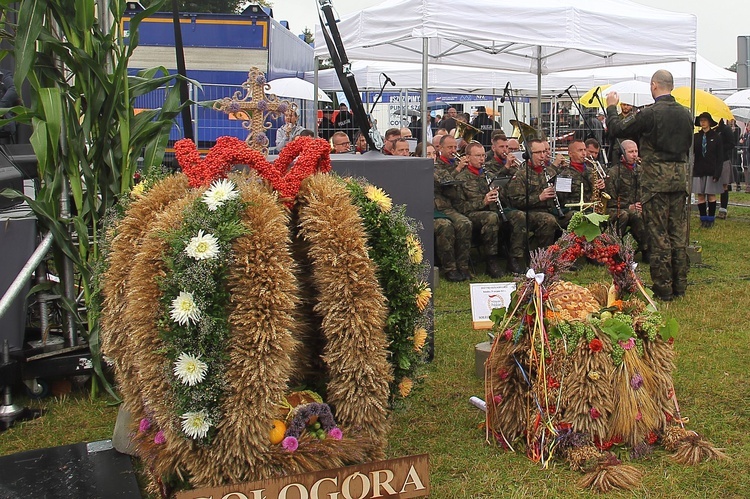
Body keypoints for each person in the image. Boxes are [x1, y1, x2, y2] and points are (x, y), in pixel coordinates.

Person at [606, 69, 694, 302]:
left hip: (656, 181)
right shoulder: (687, 114)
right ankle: (680, 285)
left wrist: (612, 107)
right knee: (677, 233)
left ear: (654, 85)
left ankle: (663, 288)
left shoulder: (650, 113)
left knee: (658, 234)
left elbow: (617, 130)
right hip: (679, 178)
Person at [505, 139, 560, 273]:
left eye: (544, 152)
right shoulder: (521, 174)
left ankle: (554, 258)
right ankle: (522, 259)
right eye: (538, 152)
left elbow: (561, 197)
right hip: (527, 212)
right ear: (529, 154)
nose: (542, 156)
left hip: (547, 210)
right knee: (548, 220)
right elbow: (516, 201)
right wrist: (539, 198)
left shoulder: (550, 172)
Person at [454, 141, 505, 278]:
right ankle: (491, 261)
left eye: (483, 155)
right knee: (491, 218)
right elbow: (461, 207)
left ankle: (514, 258)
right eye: (477, 156)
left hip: (492, 210)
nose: (482, 159)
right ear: (468, 157)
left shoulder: (488, 175)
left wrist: (499, 192)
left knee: (517, 216)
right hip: (471, 214)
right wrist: (483, 201)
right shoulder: (461, 178)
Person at [606, 139, 649, 259]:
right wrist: (628, 206)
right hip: (617, 209)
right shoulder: (614, 172)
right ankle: (615, 250)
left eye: (636, 151)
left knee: (641, 215)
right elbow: (609, 199)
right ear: (622, 154)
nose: (635, 154)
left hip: (637, 208)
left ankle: (647, 248)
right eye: (631, 152)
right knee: (624, 214)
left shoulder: (642, 171)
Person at [691, 112, 724, 228]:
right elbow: (692, 152)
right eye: (701, 120)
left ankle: (711, 219)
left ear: (709, 122)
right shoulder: (696, 137)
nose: (703, 122)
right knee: (700, 195)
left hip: (712, 170)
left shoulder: (716, 137)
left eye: (705, 120)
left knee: (711, 195)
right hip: (699, 170)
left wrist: (718, 172)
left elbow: (720, 157)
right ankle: (703, 218)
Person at [716, 118, 736, 219]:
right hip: (712, 161)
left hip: (723, 160)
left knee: (724, 186)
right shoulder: (712, 130)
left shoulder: (725, 129)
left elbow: (732, 143)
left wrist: (721, 148)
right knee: (711, 186)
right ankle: (711, 207)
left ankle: (723, 209)